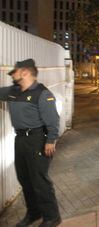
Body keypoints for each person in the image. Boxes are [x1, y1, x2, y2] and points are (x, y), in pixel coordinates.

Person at [0, 59, 61, 227]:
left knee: (39, 181)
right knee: (24, 179)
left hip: (37, 140)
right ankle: (34, 213)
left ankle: (52, 217)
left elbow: (53, 120)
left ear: (25, 72)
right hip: (20, 139)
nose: (12, 74)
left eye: (15, 71)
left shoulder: (42, 94)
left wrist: (51, 140)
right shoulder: (13, 91)